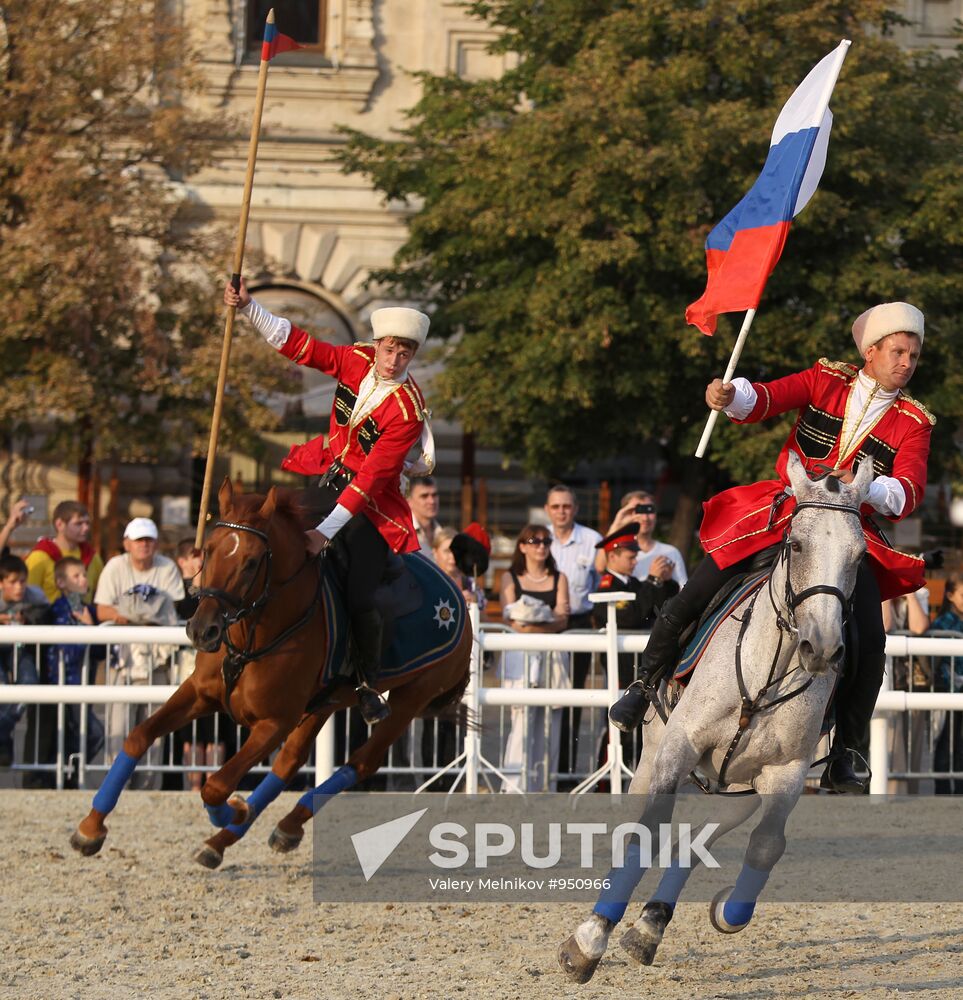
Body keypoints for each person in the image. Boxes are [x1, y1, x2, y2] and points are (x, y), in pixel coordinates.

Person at [610, 301, 933, 794]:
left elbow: (908, 492)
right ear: (870, 352)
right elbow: (764, 397)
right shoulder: (825, 379)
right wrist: (729, 393)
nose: (906, 362)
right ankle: (642, 685)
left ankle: (847, 748)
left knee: (871, 638)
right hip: (784, 514)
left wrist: (863, 487)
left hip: (848, 531)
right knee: (696, 591)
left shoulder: (914, 421)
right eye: (898, 351)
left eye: (913, 354)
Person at [227, 277, 434, 725]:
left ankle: (366, 682)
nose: (395, 359)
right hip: (326, 477)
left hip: (371, 505)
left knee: (360, 591)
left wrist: (324, 533)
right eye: (390, 349)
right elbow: (301, 346)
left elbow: (371, 480)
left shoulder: (407, 412)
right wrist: (249, 307)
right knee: (269, 536)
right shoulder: (356, 359)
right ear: (376, 345)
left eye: (405, 353)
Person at [95, 517, 184, 790]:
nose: (144, 546)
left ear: (156, 543)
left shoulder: (166, 567)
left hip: (157, 660)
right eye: (138, 540)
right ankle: (116, 784)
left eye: (148, 540)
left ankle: (149, 785)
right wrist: (129, 616)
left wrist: (131, 613)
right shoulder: (114, 567)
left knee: (154, 727)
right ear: (127, 544)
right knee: (118, 727)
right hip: (124, 660)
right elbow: (102, 610)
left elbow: (171, 608)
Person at [591, 524, 678, 773]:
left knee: (639, 722)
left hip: (636, 662)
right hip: (621, 663)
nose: (634, 560)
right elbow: (632, 616)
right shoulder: (608, 585)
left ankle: (629, 772)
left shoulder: (631, 584)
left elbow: (660, 607)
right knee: (620, 722)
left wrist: (665, 582)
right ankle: (608, 778)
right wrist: (652, 580)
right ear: (612, 556)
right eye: (630, 556)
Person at [500, 524, 570, 791]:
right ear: (523, 546)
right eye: (534, 540)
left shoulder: (559, 577)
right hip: (521, 656)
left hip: (551, 655)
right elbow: (511, 621)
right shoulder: (510, 577)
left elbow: (562, 619)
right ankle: (514, 784)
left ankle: (545, 784)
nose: (541, 546)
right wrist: (546, 619)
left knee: (550, 721)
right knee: (521, 720)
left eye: (546, 541)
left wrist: (531, 622)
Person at [545, 485, 602, 783]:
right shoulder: (539, 539)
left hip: (580, 623)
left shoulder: (592, 541)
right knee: (542, 699)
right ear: (547, 510)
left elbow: (601, 581)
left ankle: (567, 771)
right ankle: (540, 768)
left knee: (574, 698)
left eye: (566, 506)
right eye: (556, 506)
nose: (561, 511)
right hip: (545, 627)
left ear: (575, 508)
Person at [43, 557, 104, 774]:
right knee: (92, 732)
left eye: (84, 575)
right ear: (61, 582)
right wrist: (88, 630)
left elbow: (99, 652)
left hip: (81, 684)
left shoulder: (86, 610)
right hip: (65, 682)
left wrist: (90, 628)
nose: (83, 580)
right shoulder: (59, 609)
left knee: (85, 733)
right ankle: (59, 774)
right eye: (76, 576)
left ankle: (68, 773)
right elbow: (66, 650)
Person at [0, 555, 48, 766]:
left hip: (21, 649)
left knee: (29, 685)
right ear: (1, 584)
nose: (19, 587)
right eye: (12, 582)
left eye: (22, 581)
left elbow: (48, 616)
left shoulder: (35, 596)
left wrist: (28, 619)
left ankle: (2, 732)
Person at [596, 490, 687, 587]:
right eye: (638, 510)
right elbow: (600, 567)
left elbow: (683, 589)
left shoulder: (671, 552)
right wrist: (617, 524)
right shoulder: (619, 550)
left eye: (649, 510)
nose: (645, 518)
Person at [25, 500, 103, 603]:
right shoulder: (39, 557)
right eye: (78, 524)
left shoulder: (92, 557)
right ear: (60, 524)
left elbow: (102, 594)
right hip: (48, 616)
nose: (86, 528)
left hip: (84, 615)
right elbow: (26, 596)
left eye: (87, 523)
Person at [931, 573, 963, 794]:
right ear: (950, 595)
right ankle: (942, 789)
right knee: (947, 742)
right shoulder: (943, 622)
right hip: (948, 690)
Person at [409, 476, 444, 557]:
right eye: (424, 496)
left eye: (434, 495)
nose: (431, 501)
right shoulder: (404, 534)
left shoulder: (441, 532)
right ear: (408, 501)